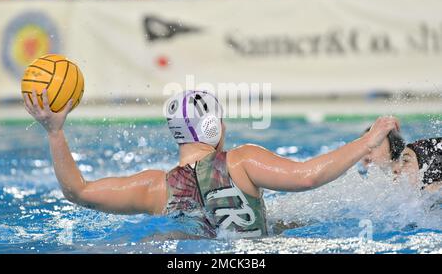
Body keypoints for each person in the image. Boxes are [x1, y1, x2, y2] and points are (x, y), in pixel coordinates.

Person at [23, 89, 400, 239]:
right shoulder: (244, 161)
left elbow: (79, 193)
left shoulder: (156, 187)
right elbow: (309, 176)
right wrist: (367, 140)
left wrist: (55, 132)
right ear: (212, 126)